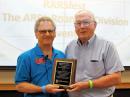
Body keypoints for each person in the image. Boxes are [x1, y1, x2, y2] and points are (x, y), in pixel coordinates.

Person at [65, 10, 125, 97]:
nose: (81, 26)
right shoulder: (69, 46)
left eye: (86, 22)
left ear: (95, 25)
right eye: (78, 23)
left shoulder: (107, 46)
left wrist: (88, 84)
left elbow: (116, 78)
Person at [15, 16, 67, 97]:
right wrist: (43, 89)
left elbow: (64, 82)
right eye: (43, 31)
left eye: (50, 31)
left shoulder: (62, 55)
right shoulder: (25, 57)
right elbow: (20, 86)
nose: (47, 34)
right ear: (36, 34)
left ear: (55, 33)